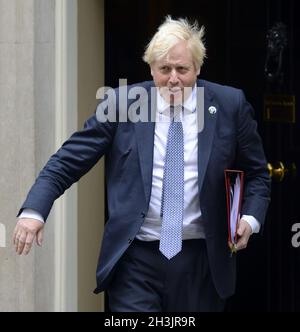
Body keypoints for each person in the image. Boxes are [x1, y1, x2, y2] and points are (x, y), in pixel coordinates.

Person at [13, 16, 270, 312]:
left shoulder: (229, 104)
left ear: (198, 68)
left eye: (182, 69)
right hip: (136, 261)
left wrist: (250, 219)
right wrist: (34, 211)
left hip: (202, 261)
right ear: (151, 68)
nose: (173, 79)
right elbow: (67, 162)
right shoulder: (122, 105)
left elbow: (258, 174)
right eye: (164, 69)